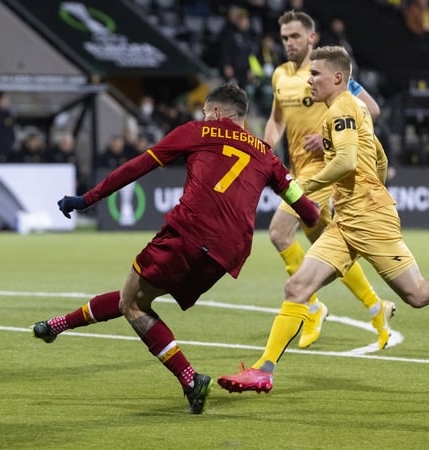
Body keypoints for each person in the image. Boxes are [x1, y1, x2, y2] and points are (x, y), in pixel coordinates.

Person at [31, 83, 320, 414]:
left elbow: (138, 166)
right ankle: (59, 325)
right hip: (230, 252)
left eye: (205, 112)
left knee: (134, 305)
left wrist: (87, 198)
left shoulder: (198, 131)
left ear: (216, 113)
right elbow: (304, 205)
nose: (203, 116)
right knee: (136, 297)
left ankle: (189, 378)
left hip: (189, 231)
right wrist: (318, 219)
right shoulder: (266, 154)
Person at [217, 46, 429, 395]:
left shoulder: (343, 107)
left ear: (337, 78)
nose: (309, 80)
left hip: (371, 220)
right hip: (347, 221)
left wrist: (301, 186)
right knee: (297, 288)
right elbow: (378, 156)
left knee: (418, 295)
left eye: (315, 74)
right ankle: (262, 371)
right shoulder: (350, 110)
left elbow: (345, 162)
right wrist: (371, 184)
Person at [264, 10, 392, 351]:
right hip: (298, 169)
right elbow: (277, 120)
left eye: (294, 36)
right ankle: (376, 308)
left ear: (311, 38)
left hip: (324, 173)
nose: (289, 43)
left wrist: (329, 140)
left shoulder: (328, 75)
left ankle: (311, 305)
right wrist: (266, 147)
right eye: (284, 38)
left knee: (278, 231)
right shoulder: (279, 76)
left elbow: (372, 110)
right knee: (331, 246)